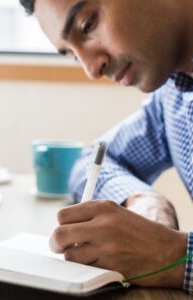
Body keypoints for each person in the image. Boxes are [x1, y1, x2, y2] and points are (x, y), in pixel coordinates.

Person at [20, 0, 193, 294]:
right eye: (73, 55)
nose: (91, 69)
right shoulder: (172, 97)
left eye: (88, 24)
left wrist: (174, 256)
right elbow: (92, 160)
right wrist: (144, 200)